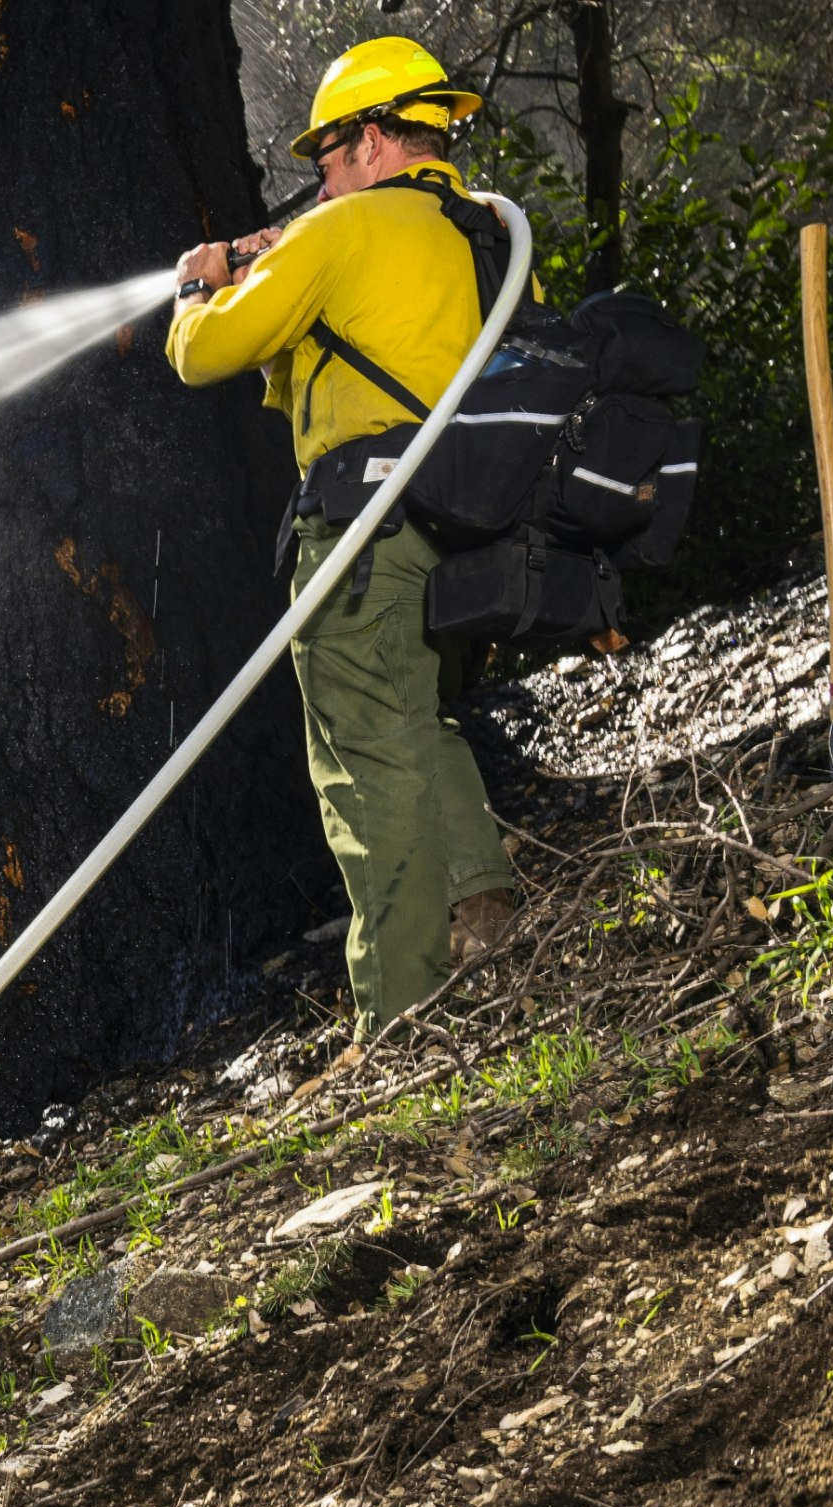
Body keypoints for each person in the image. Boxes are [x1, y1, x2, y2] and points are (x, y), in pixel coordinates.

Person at [166, 35, 527, 1037]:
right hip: (461, 527)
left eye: (324, 155)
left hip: (363, 531)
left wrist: (200, 285)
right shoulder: (476, 233)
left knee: (360, 763)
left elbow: (209, 354)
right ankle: (483, 907)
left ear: (371, 140)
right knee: (416, 724)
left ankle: (397, 1013)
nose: (317, 178)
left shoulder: (350, 229)